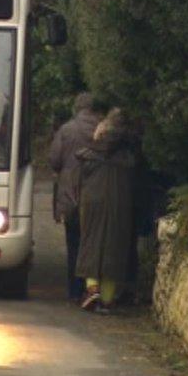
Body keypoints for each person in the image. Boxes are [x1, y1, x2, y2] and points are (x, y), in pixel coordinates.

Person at [75, 108, 136, 314]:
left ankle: (92, 290)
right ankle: (108, 300)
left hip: (92, 202)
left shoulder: (89, 154)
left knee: (91, 243)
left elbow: (79, 179)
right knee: (113, 250)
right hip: (119, 204)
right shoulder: (128, 156)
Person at [49, 92, 102, 302]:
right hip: (96, 191)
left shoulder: (67, 130)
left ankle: (74, 290)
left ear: (77, 108)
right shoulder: (102, 130)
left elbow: (54, 160)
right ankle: (93, 288)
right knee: (94, 242)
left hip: (71, 194)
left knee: (74, 242)